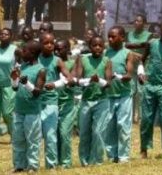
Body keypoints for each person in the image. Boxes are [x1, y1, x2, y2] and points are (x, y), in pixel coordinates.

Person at [138, 20, 162, 159]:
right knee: (147, 118)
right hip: (149, 85)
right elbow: (142, 59)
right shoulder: (152, 44)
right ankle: (144, 148)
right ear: (160, 31)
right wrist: (141, 73)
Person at [10, 40, 45, 173]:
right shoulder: (22, 67)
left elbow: (37, 92)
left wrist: (27, 84)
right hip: (19, 110)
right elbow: (15, 89)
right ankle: (19, 165)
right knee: (18, 139)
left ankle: (33, 166)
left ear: (33, 53)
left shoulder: (40, 70)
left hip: (32, 112)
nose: (22, 53)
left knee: (32, 139)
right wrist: (14, 79)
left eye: (24, 51)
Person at [76, 35, 111, 166]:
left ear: (103, 47)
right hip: (86, 100)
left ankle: (97, 160)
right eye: (94, 45)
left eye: (100, 46)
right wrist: (89, 80)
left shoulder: (107, 61)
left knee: (98, 132)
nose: (97, 48)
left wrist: (99, 81)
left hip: (102, 100)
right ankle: (84, 161)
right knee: (84, 132)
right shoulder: (83, 60)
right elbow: (78, 81)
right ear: (90, 47)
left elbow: (108, 83)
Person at [104, 26, 136, 163]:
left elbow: (129, 73)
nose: (110, 39)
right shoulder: (106, 53)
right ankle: (112, 155)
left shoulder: (127, 53)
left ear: (122, 37)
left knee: (122, 125)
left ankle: (123, 156)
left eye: (113, 37)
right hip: (109, 94)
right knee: (109, 125)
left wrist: (119, 76)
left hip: (124, 94)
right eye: (109, 37)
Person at [34, 33, 61, 168]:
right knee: (35, 137)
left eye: (52, 42)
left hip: (51, 103)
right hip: (35, 103)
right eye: (46, 43)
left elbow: (67, 77)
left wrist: (55, 84)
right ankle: (33, 165)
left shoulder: (57, 60)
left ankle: (51, 165)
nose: (50, 45)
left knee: (50, 136)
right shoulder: (34, 60)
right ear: (40, 44)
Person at [53, 39, 78, 168]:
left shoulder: (72, 63)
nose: (57, 51)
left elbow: (71, 80)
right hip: (53, 103)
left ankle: (66, 162)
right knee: (55, 134)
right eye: (55, 48)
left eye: (60, 48)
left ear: (67, 50)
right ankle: (56, 160)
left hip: (67, 103)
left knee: (64, 133)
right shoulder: (53, 63)